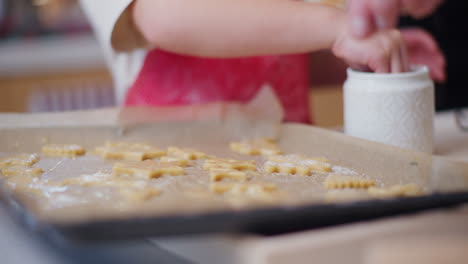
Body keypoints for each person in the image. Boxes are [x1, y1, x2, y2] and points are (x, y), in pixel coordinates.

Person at [79, 0, 444, 123]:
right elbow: (164, 16)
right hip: (169, 175)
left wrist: (357, 53)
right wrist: (338, 27)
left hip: (291, 171)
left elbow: (278, 60)